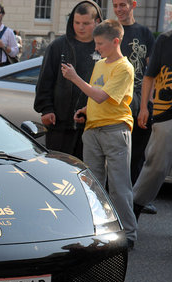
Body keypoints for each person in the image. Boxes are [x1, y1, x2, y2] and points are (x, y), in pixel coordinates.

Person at [62, 19, 137, 248]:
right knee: (93, 185)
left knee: (118, 186)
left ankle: (129, 235)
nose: (96, 48)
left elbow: (101, 96)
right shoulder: (101, 64)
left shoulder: (124, 67)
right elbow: (98, 95)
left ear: (116, 41)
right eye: (96, 43)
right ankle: (96, 230)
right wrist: (86, 110)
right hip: (93, 129)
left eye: (100, 44)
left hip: (115, 130)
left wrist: (75, 78)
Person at [133, 0, 172, 228]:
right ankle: (133, 208)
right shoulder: (165, 40)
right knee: (155, 165)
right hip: (167, 114)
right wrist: (144, 107)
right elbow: (149, 76)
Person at [34, 1, 103, 160]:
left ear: (97, 22)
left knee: (87, 173)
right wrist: (46, 109)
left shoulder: (104, 47)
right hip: (59, 123)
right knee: (57, 170)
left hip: (92, 125)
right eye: (76, 22)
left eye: (86, 23)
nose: (80, 27)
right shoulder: (57, 46)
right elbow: (45, 80)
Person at [112, 0, 156, 201]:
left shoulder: (145, 33)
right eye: (115, 5)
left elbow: (152, 71)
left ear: (133, 5)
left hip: (139, 101)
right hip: (115, 101)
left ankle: (136, 200)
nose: (119, 9)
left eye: (123, 4)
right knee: (116, 155)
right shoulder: (110, 30)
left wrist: (147, 103)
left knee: (137, 154)